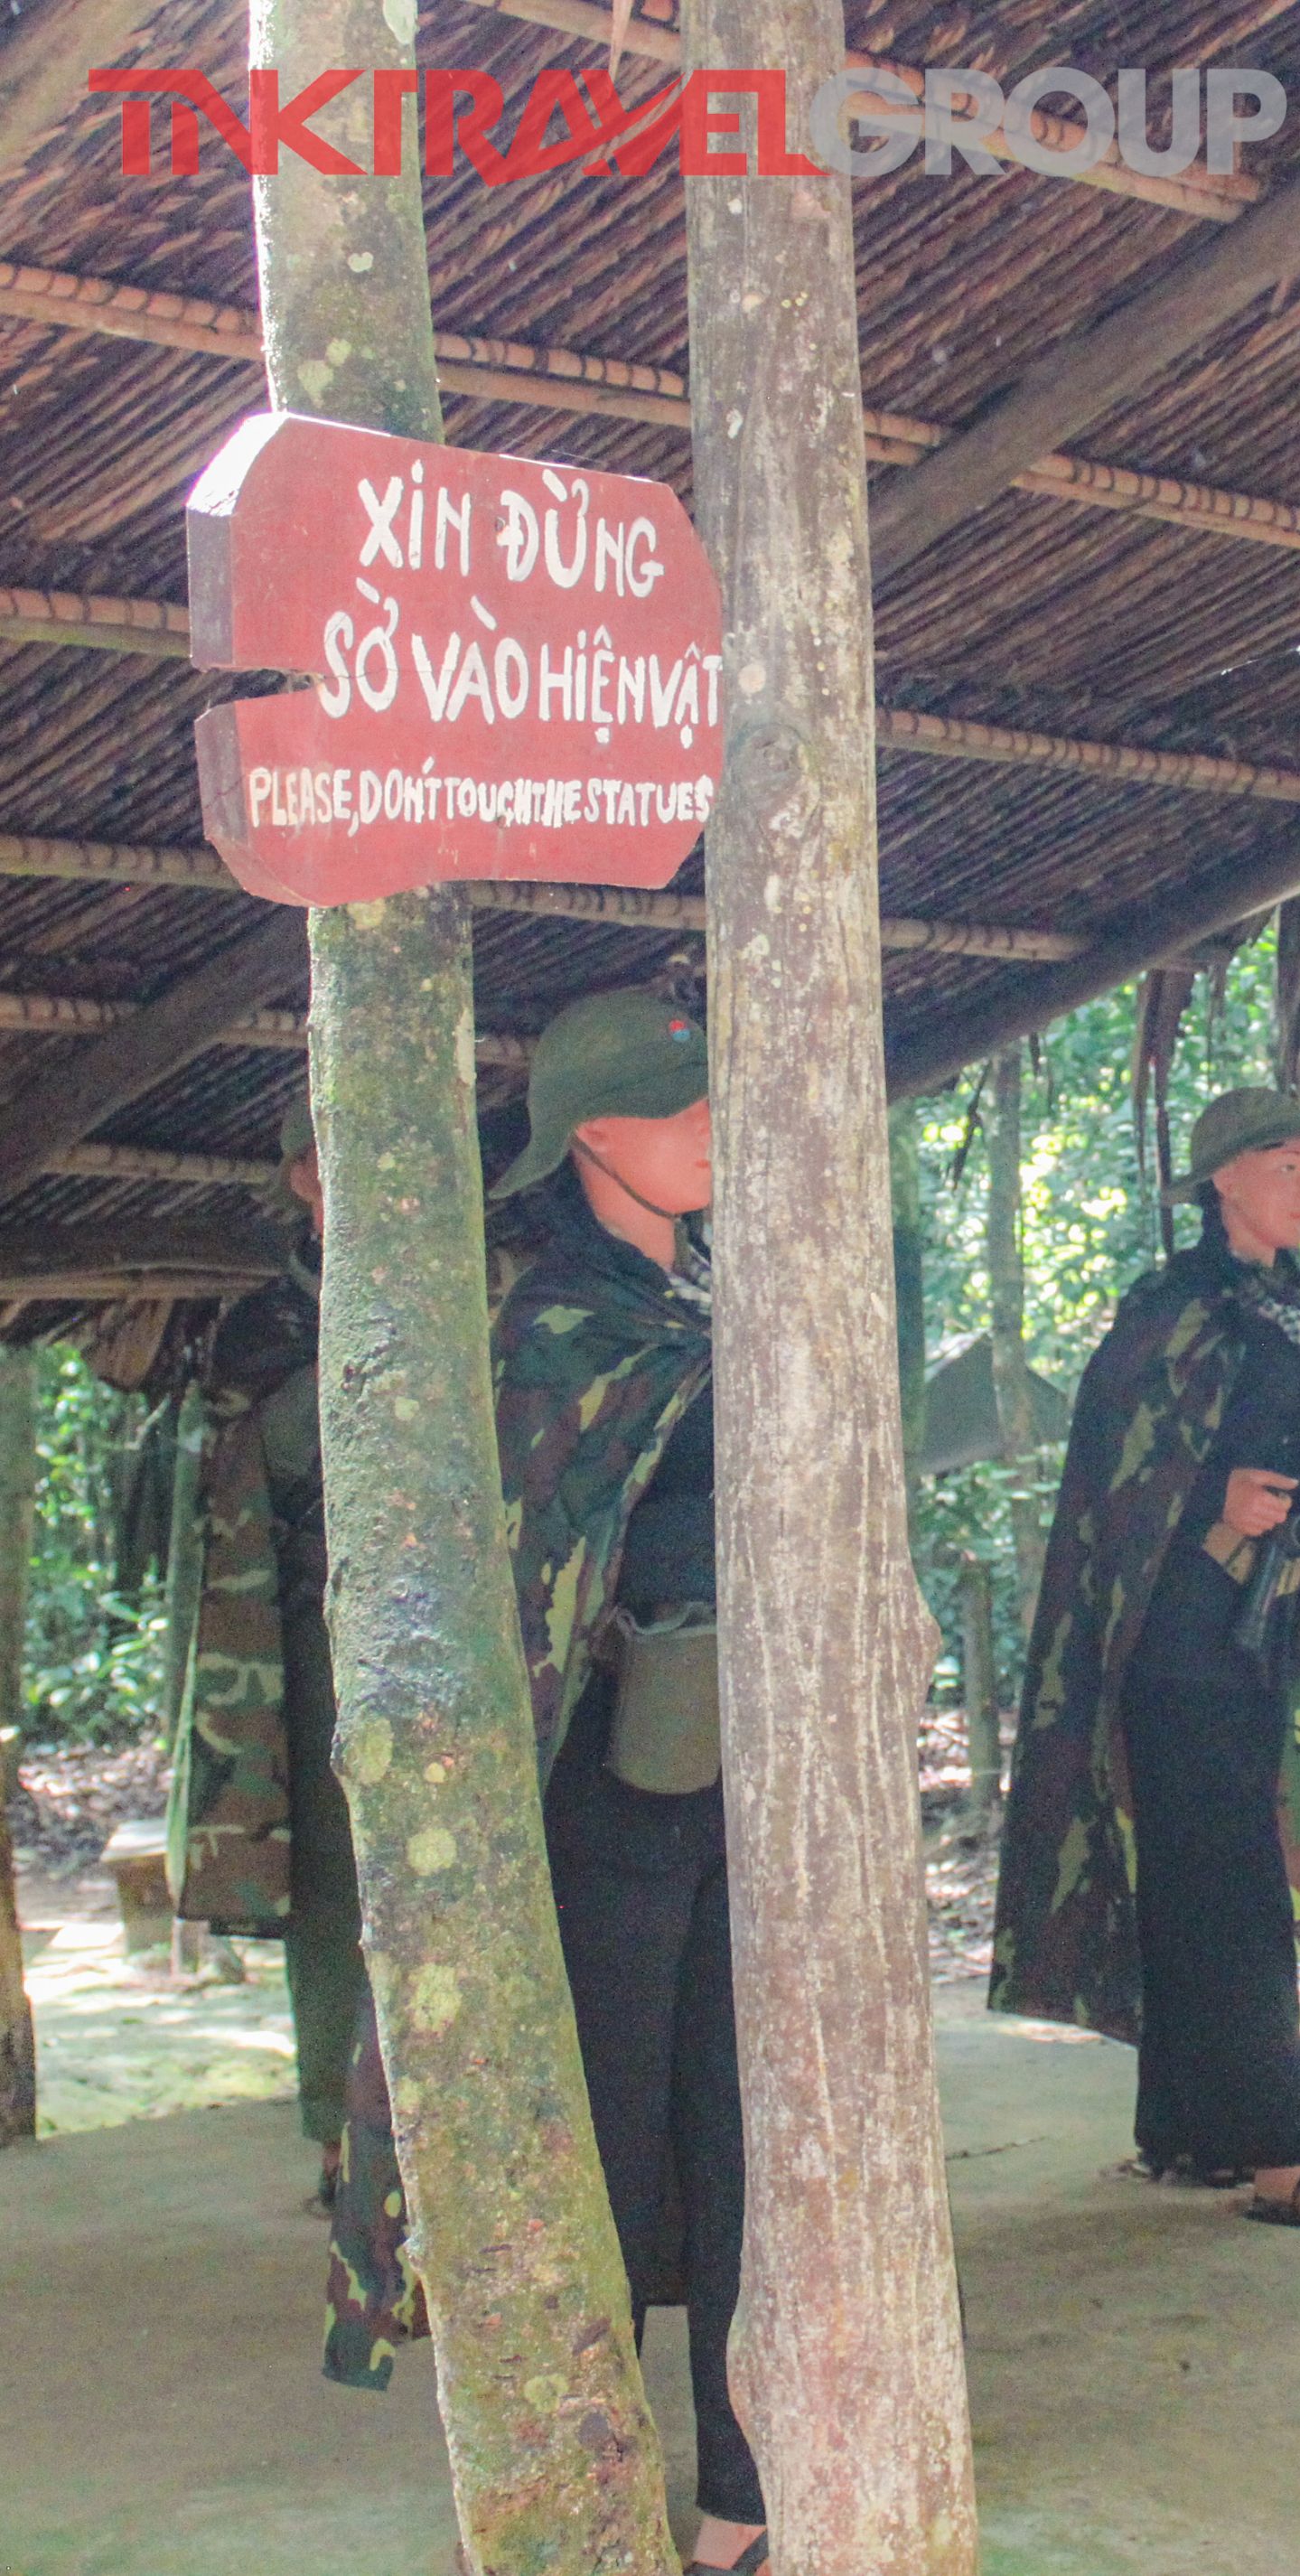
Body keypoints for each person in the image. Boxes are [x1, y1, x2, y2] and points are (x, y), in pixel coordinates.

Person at [322, 989, 762, 2576]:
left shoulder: (723, 1299)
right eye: (674, 1100)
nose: (711, 1120)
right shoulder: (552, 1326)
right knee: (598, 2160)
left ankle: (742, 2510)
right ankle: (572, 2505)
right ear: (588, 1132)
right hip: (606, 1808)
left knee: (748, 2153)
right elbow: (523, 1592)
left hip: (746, 1805)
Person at [990, 1086, 1300, 2228]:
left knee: (1206, 1885)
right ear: (1223, 1182)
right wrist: (1214, 1502)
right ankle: (1282, 2154)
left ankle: (1190, 2129)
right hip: (1179, 1641)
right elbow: (1108, 1464)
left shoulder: (1283, 1311)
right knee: (1233, 1888)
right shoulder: (1174, 1309)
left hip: (1255, 1636)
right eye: (1287, 1167)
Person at [170, 1099, 365, 2206]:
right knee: (336, 1896)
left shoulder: (465, 1300)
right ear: (302, 1176)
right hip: (313, 1648)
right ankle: (342, 2132)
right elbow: (254, 1472)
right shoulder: (262, 1326)